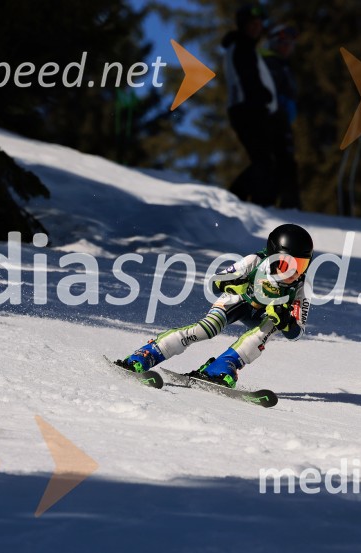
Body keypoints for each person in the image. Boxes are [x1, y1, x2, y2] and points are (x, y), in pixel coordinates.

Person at [118, 224, 314, 389]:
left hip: (263, 316)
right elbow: (215, 282)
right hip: (237, 300)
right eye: (287, 265)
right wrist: (235, 283)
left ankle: (223, 366)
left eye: (301, 266)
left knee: (268, 329)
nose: (294, 273)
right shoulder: (255, 261)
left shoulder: (302, 287)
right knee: (207, 328)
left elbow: (296, 333)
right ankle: (149, 353)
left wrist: (286, 321)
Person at [223, 4, 279, 206]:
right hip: (247, 109)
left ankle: (250, 200)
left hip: (250, 107)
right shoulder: (241, 46)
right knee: (264, 159)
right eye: (252, 24)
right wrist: (263, 95)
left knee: (264, 160)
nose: (257, 28)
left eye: (259, 25)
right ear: (243, 25)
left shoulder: (244, 46)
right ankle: (237, 198)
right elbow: (247, 77)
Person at [262, 23, 301, 209]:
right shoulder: (268, 63)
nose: (287, 47)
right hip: (273, 118)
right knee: (280, 161)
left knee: (284, 161)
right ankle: (283, 204)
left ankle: (282, 203)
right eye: (283, 43)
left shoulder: (282, 66)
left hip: (283, 118)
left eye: (290, 44)